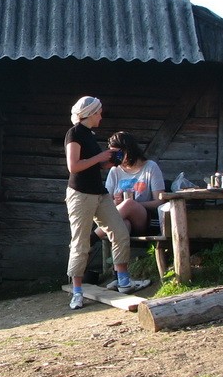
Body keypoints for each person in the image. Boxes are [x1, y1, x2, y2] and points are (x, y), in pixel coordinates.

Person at [65, 97, 135, 309]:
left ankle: (123, 280)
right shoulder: (74, 133)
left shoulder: (90, 135)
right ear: (91, 113)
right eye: (99, 113)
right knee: (80, 243)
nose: (101, 116)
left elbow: (95, 165)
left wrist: (110, 160)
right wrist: (100, 157)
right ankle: (77, 291)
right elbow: (74, 166)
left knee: (119, 231)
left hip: (99, 192)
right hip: (80, 194)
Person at [101, 131, 164, 237]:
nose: (116, 157)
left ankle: (93, 238)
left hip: (145, 219)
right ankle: (118, 254)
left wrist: (133, 205)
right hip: (122, 219)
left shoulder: (150, 167)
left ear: (128, 150)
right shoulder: (115, 170)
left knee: (129, 204)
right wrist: (116, 202)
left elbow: (159, 201)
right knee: (123, 226)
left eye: (118, 153)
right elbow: (106, 202)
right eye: (113, 154)